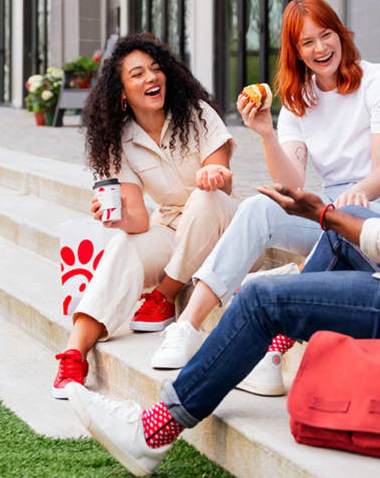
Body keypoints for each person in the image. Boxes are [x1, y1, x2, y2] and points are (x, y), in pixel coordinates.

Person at [64, 0, 380, 475]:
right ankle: (250, 346)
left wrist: (332, 218)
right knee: (318, 240)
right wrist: (332, 216)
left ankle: (154, 430)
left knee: (263, 298)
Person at [150, 0, 380, 395]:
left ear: (341, 35)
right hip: (330, 212)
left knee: (341, 224)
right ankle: (188, 325)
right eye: (307, 43)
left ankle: (271, 352)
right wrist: (266, 134)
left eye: (326, 35)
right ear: (295, 52)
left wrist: (351, 200)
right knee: (259, 207)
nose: (320, 49)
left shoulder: (378, 82)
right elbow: (291, 185)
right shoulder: (298, 99)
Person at [51, 33, 239, 398]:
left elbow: (223, 180)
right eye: (137, 74)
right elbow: (137, 219)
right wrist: (113, 218)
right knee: (123, 243)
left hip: (222, 222)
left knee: (204, 199)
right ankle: (74, 353)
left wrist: (213, 176)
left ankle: (165, 294)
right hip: (172, 226)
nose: (151, 78)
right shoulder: (120, 139)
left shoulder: (198, 114)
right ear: (122, 92)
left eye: (155, 69)